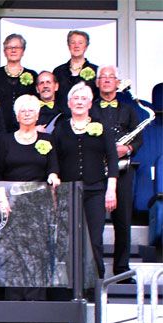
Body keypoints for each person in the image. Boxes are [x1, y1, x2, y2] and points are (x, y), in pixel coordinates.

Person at [52, 83, 118, 278]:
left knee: (94, 239)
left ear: (90, 104)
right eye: (76, 98)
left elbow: (112, 158)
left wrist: (111, 189)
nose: (79, 102)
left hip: (95, 190)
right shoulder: (61, 128)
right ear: (69, 103)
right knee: (70, 239)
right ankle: (73, 283)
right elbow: (54, 158)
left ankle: (96, 283)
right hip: (68, 192)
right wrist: (54, 177)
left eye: (84, 99)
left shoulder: (102, 127)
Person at [93, 65, 142, 277]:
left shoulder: (129, 110)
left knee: (123, 222)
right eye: (102, 77)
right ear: (97, 83)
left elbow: (138, 138)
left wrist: (128, 148)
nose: (106, 80)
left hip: (122, 170)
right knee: (94, 224)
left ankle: (122, 269)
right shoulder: (90, 108)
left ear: (117, 83)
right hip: (96, 169)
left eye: (110, 77)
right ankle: (95, 272)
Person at [0, 95, 60, 185]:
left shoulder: (47, 139)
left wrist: (53, 176)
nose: (27, 114)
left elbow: (53, 166)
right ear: (17, 117)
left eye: (31, 111)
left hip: (40, 191)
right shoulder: (5, 140)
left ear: (37, 115)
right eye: (22, 111)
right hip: (11, 191)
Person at [0, 34, 37, 131]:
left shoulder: (32, 75)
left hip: (25, 129)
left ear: (23, 51)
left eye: (17, 47)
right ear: (4, 52)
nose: (13, 50)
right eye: (9, 47)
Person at [53, 31, 98, 106]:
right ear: (68, 46)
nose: (76, 46)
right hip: (62, 112)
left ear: (86, 46)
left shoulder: (96, 70)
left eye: (80, 43)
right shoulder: (58, 71)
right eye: (73, 42)